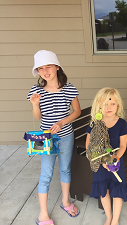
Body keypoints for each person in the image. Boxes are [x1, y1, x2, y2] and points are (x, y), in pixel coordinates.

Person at [27, 50, 81, 225]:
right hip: (44, 138)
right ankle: (43, 214)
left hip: (66, 136)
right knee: (46, 174)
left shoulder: (69, 88)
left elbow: (77, 112)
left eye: (48, 66)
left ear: (57, 67)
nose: (45, 71)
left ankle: (65, 202)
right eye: (40, 68)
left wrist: (61, 123)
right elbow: (38, 117)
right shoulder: (36, 90)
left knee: (65, 169)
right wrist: (35, 104)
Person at [85, 88, 127, 225]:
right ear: (98, 106)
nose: (108, 107)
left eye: (112, 104)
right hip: (99, 163)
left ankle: (115, 220)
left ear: (118, 106)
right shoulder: (94, 124)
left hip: (115, 163)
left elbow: (123, 146)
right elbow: (89, 144)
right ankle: (109, 217)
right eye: (104, 104)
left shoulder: (121, 124)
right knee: (104, 190)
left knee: (116, 190)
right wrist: (100, 159)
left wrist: (113, 159)